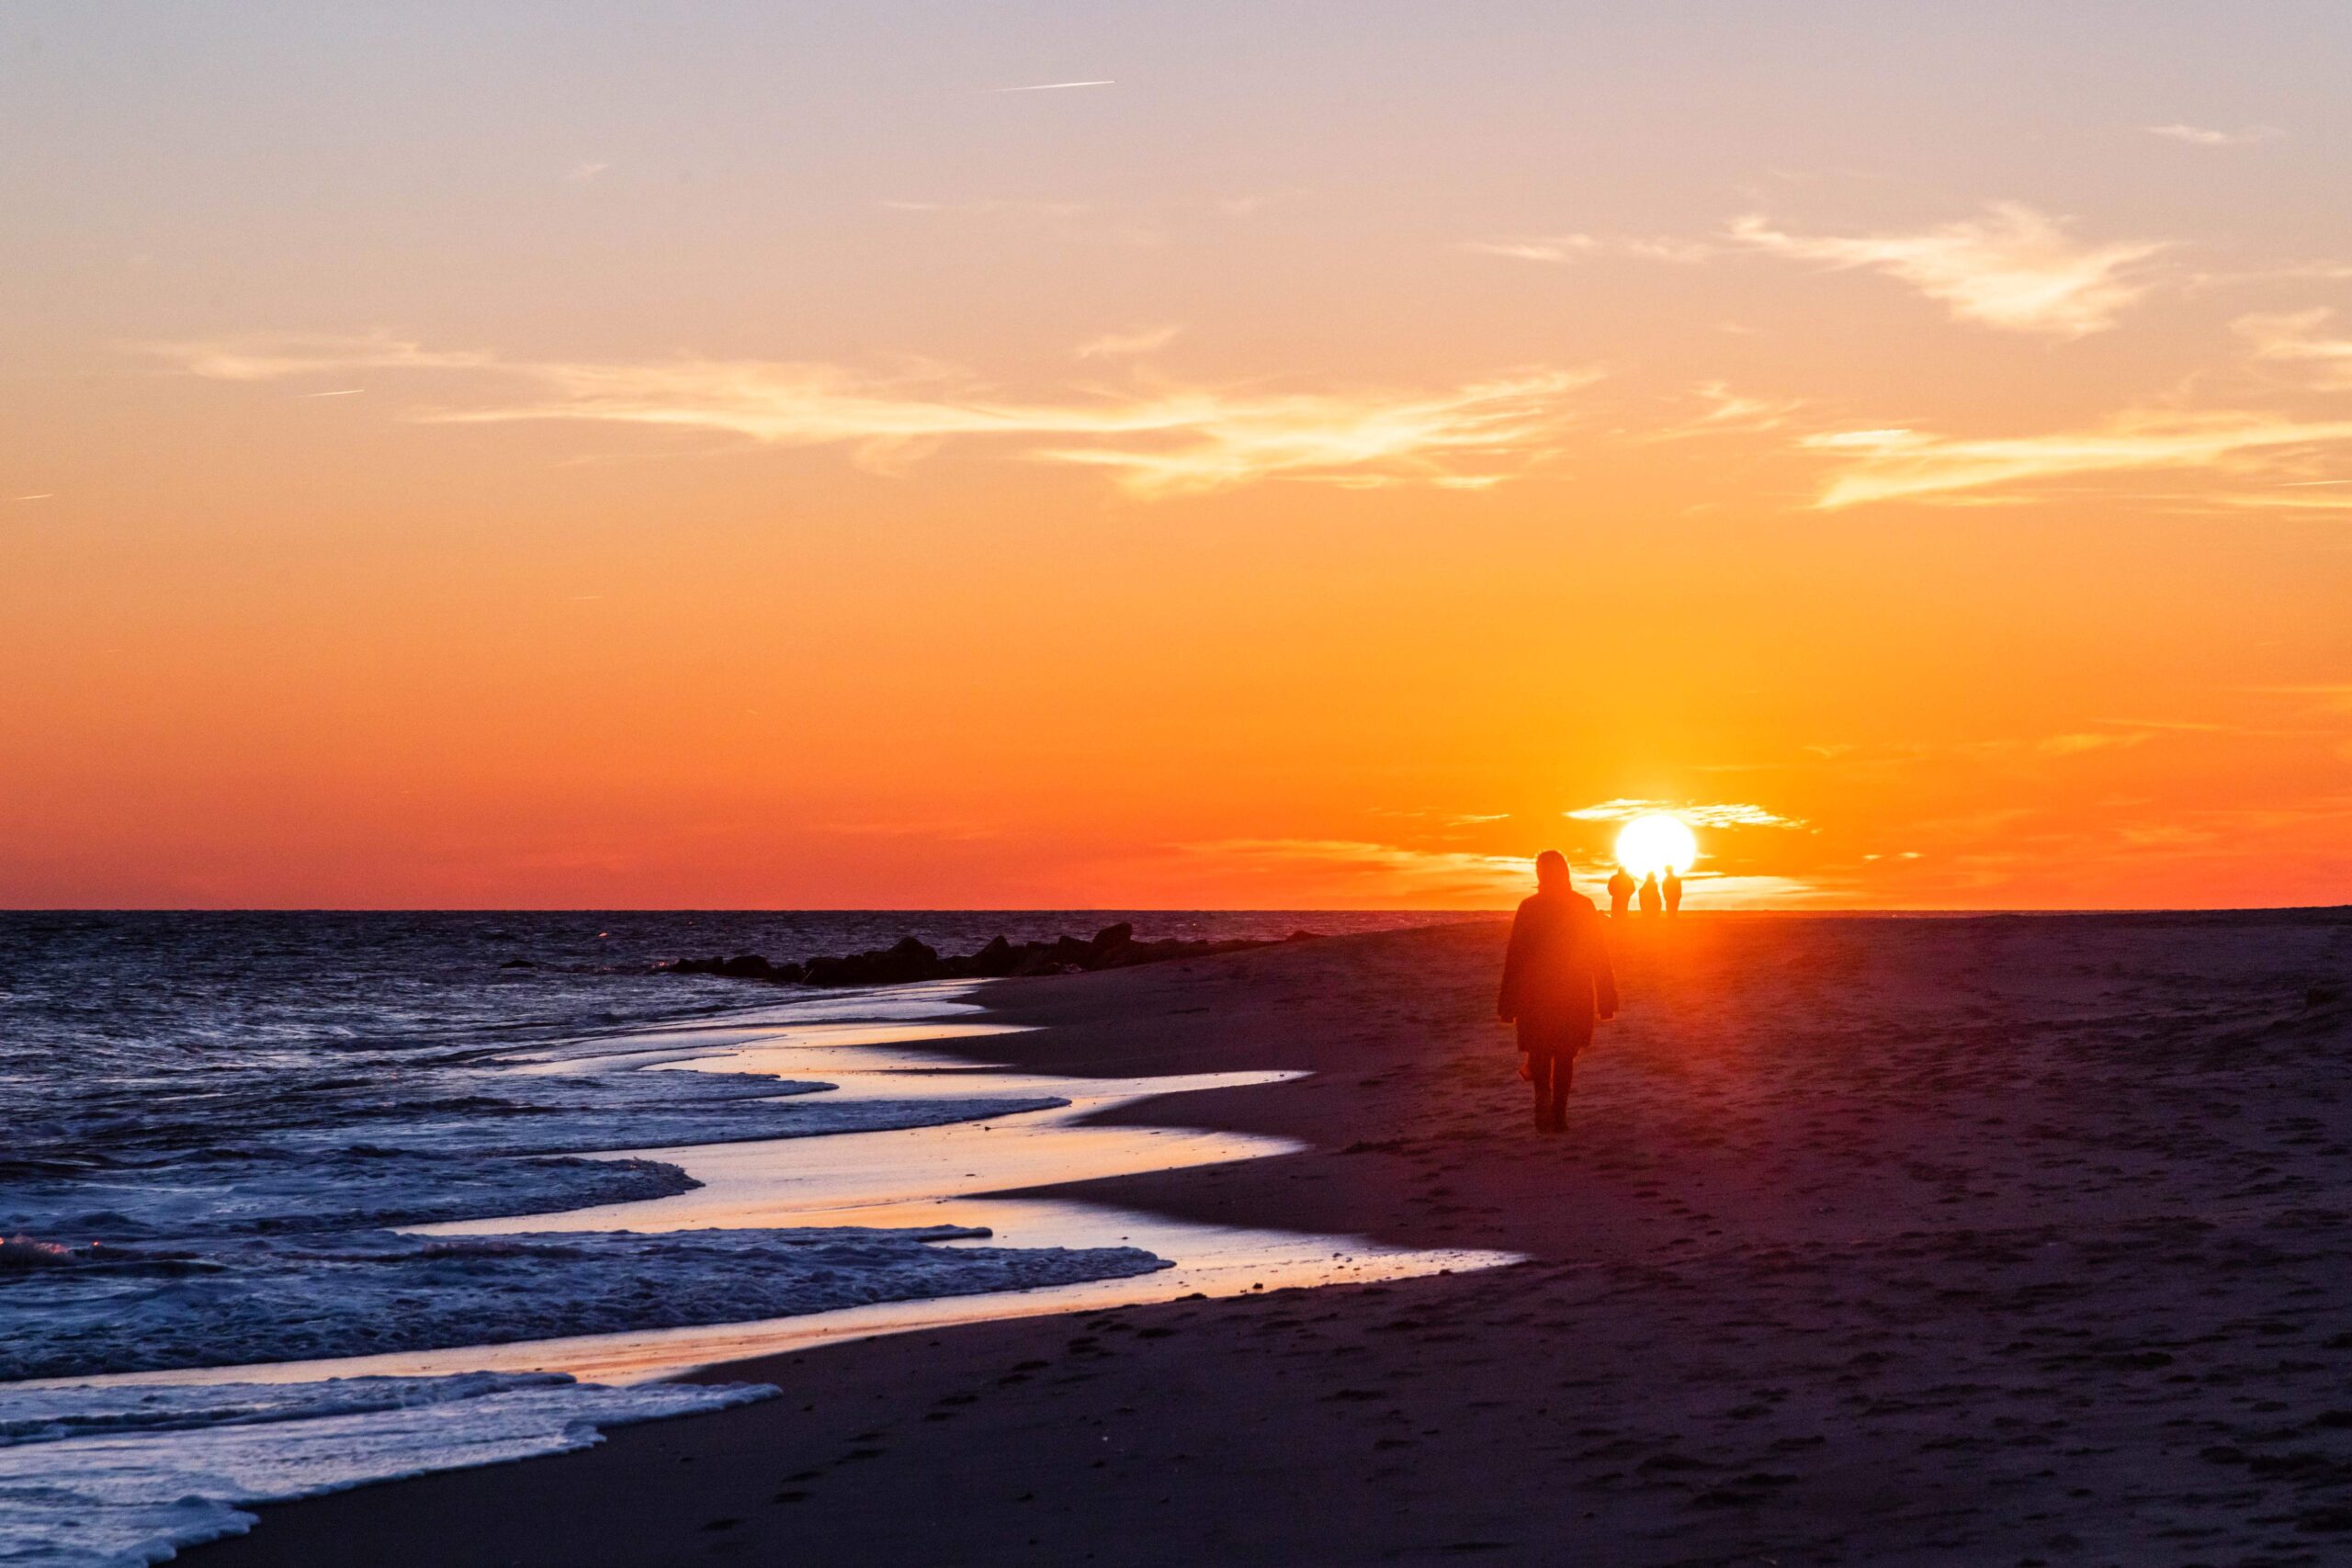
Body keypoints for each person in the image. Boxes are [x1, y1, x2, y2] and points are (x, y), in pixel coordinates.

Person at [1497, 851, 1619, 1133]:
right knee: (1564, 1053)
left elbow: (1515, 957)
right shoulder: (1582, 905)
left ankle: (1542, 1097)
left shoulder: (1529, 906)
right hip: (1572, 989)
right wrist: (1606, 999)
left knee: (1540, 1049)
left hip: (1535, 991)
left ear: (1541, 874)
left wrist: (1508, 1004)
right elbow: (1597, 954)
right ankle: (1559, 1114)